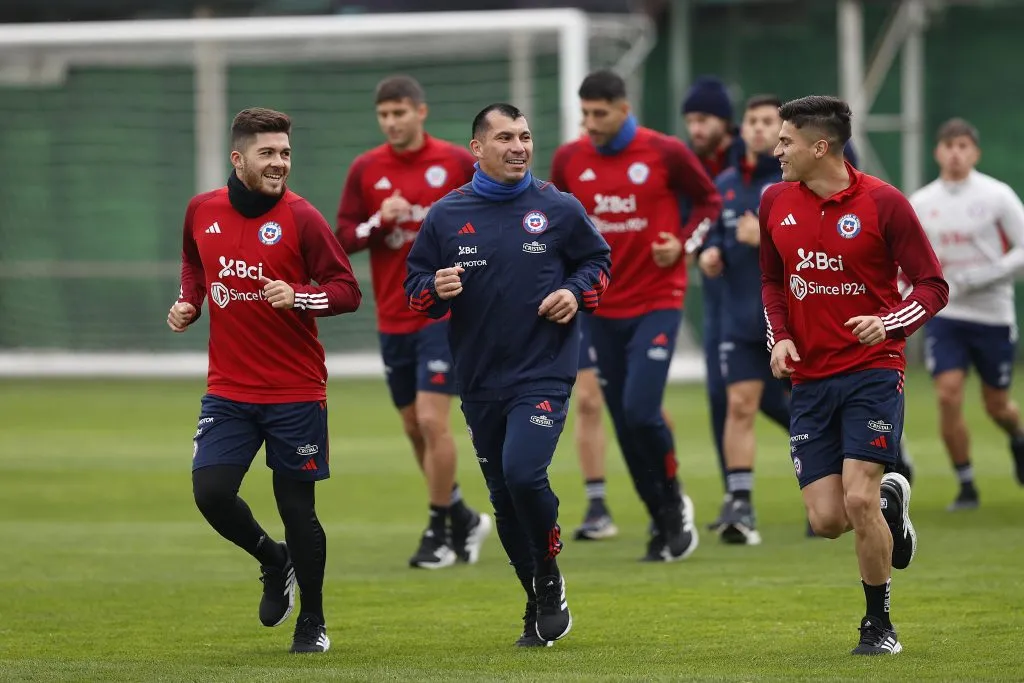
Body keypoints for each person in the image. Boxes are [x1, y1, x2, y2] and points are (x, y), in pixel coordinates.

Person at [404, 103, 611, 647]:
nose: (519, 146)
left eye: (524, 136)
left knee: (523, 474)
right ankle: (537, 595)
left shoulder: (558, 207)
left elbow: (598, 264)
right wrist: (434, 288)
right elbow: (414, 286)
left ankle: (548, 572)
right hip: (478, 378)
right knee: (502, 495)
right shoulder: (446, 215)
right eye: (505, 138)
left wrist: (574, 292)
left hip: (543, 372)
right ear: (477, 147)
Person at [169, 107, 362, 653]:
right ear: (238, 159)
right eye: (268, 154)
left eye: (285, 153)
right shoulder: (201, 210)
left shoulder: (303, 217)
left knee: (297, 510)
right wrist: (191, 301)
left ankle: (314, 622)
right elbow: (193, 262)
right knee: (211, 493)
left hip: (295, 391)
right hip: (229, 389)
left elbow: (347, 290)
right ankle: (274, 560)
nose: (280, 163)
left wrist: (300, 296)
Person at [760, 95, 948, 654]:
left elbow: (933, 285)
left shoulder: (885, 203)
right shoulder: (773, 201)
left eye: (786, 141)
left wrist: (889, 324)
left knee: (858, 500)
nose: (777, 151)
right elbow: (772, 282)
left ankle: (879, 624)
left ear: (820, 147)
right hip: (811, 379)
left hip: (873, 369)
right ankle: (894, 499)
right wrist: (782, 336)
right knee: (826, 520)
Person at [551, 69, 720, 562]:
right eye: (584, 114)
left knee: (642, 408)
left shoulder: (664, 151)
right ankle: (659, 517)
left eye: (599, 113)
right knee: (624, 420)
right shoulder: (569, 159)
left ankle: (672, 500)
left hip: (658, 301)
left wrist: (684, 245)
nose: (590, 123)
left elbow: (708, 201)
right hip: (601, 306)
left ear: (624, 109)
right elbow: (556, 220)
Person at [335, 75, 492, 568]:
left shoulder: (454, 163)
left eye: (400, 113)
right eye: (384, 115)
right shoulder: (366, 168)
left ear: (420, 112)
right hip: (392, 314)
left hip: (442, 314)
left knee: (431, 419)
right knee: (412, 426)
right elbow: (343, 238)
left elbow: (490, 217)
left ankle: (438, 530)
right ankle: (463, 517)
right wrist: (379, 220)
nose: (391, 122)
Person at [682, 78, 792, 509]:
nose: (760, 129)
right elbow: (711, 233)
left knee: (809, 408)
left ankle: (851, 474)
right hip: (737, 314)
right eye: (754, 121)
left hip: (791, 318)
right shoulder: (723, 183)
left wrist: (763, 237)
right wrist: (709, 252)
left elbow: (817, 249)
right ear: (741, 129)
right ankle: (739, 503)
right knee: (739, 403)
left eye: (770, 122)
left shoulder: (794, 183)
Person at [909, 117, 1024, 510]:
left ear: (975, 152)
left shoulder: (997, 195)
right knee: (947, 394)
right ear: (937, 152)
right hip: (946, 312)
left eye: (963, 146)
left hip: (992, 314)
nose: (955, 154)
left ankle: (1017, 435)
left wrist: (980, 277)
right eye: (949, 146)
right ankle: (966, 483)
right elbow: (906, 259)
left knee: (997, 405)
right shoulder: (922, 202)